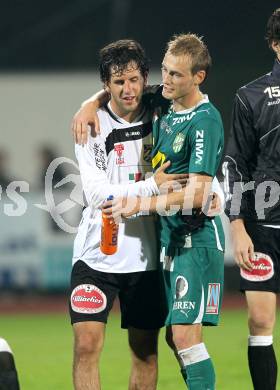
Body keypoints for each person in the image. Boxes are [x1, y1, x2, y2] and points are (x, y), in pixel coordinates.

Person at [73, 34, 225, 390]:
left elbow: (198, 167)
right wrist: (88, 105)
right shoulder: (93, 124)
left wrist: (213, 189)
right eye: (117, 82)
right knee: (87, 345)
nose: (128, 89)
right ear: (105, 85)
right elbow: (97, 194)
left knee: (152, 349)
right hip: (99, 252)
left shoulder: (166, 104)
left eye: (134, 79)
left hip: (153, 253)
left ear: (145, 78)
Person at [223, 9, 280, 390]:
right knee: (260, 321)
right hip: (262, 222)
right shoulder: (251, 95)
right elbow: (235, 164)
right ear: (276, 45)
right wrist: (238, 226)